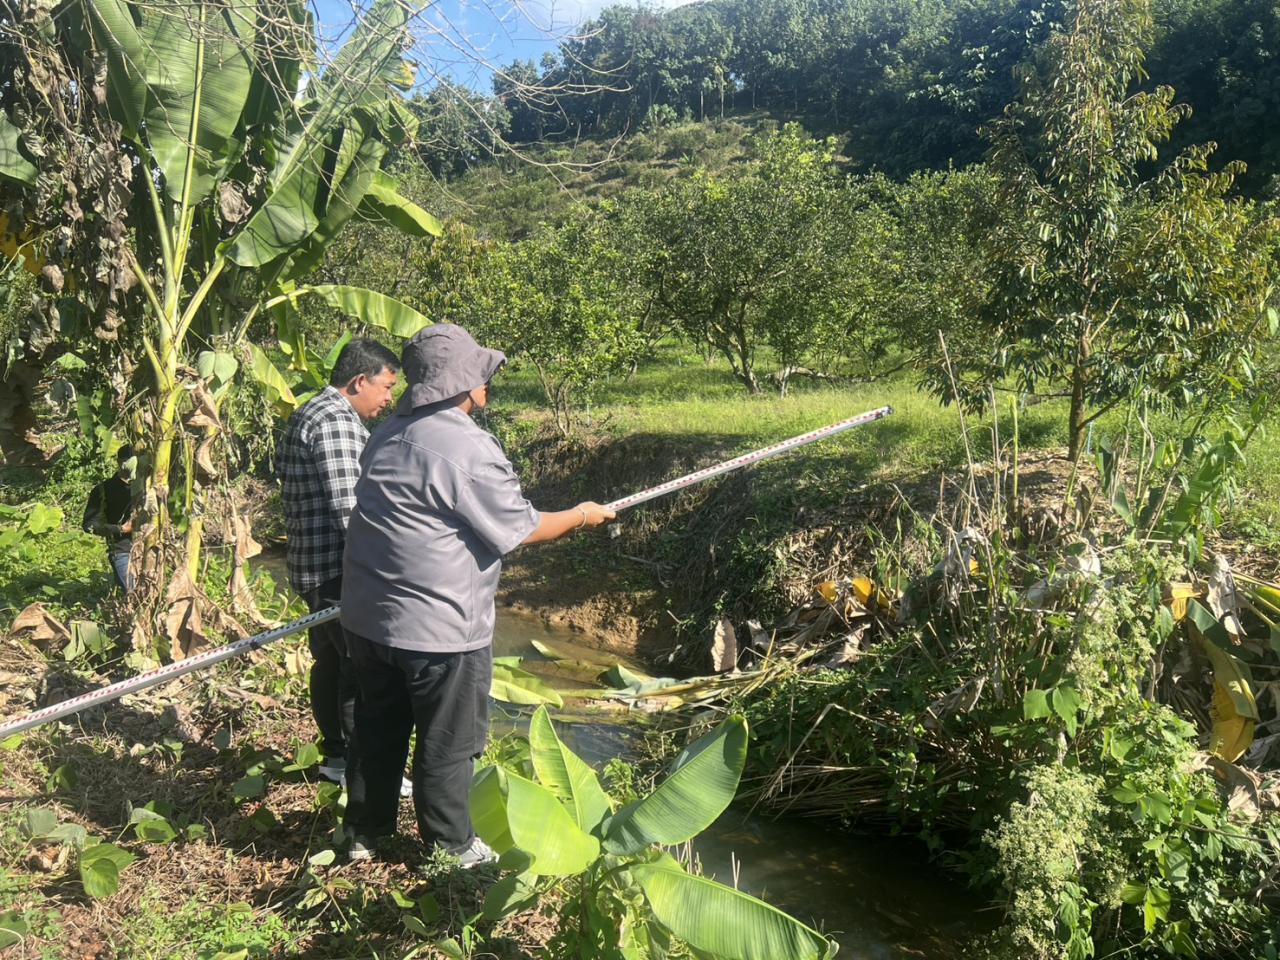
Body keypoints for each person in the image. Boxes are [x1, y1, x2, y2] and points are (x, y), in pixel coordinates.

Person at [340, 323, 615, 865]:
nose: (488, 385)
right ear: (462, 381)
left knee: (378, 730)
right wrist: (584, 515)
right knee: (448, 743)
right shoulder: (465, 445)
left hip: (368, 621)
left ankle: (365, 837)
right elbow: (521, 527)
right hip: (438, 631)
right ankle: (451, 850)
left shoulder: (385, 433)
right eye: (482, 374)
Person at [277, 337, 409, 794]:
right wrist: (394, 565)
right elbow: (351, 510)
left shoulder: (312, 410)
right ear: (359, 381)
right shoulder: (335, 421)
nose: (390, 398)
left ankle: (335, 757)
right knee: (360, 670)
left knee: (330, 663)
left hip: (314, 565)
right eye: (387, 386)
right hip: (338, 569)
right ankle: (364, 768)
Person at [83, 445, 136, 593]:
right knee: (135, 595)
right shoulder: (104, 490)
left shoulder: (149, 488)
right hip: (122, 552)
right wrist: (120, 529)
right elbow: (89, 525)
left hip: (150, 550)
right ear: (119, 462)